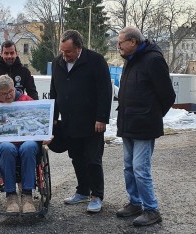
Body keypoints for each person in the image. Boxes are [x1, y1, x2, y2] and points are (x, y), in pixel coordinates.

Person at [116, 26, 176, 226]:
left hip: (144, 125)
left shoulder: (153, 60)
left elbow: (168, 95)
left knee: (141, 169)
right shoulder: (130, 61)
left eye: (120, 43)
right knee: (128, 167)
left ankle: (152, 209)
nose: (118, 47)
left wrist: (152, 115)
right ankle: (135, 203)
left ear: (133, 42)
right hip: (128, 123)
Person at [50, 30, 112, 212]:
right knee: (76, 158)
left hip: (92, 123)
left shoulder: (95, 61)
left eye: (68, 52)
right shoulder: (57, 63)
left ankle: (97, 195)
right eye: (62, 51)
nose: (64, 55)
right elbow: (54, 91)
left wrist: (102, 118)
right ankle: (83, 191)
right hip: (69, 122)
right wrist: (53, 118)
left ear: (79, 48)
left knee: (93, 159)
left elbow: (105, 91)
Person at [0, 74, 39, 214]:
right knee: (6, 147)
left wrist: (46, 134)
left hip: (26, 142)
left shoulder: (27, 101)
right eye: (4, 94)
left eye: (10, 91)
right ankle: (11, 196)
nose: (9, 96)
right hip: (5, 145)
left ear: (14, 87)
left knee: (28, 147)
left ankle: (27, 195)